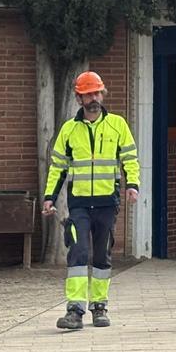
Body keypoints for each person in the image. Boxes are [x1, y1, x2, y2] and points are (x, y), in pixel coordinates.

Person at [42, 70, 140, 330]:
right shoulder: (69, 129)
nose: (94, 99)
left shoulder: (118, 125)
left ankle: (99, 307)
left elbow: (130, 159)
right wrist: (50, 197)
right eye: (88, 95)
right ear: (79, 98)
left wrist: (132, 185)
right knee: (78, 252)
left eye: (97, 93)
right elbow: (58, 167)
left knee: (101, 255)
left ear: (102, 94)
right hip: (79, 204)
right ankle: (75, 310)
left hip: (107, 202)